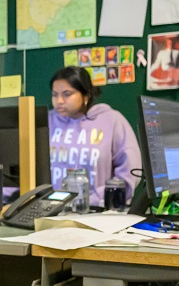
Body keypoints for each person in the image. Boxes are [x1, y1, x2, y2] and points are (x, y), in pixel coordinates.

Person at [48, 66, 142, 206]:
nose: (59, 100)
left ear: (86, 95)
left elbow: (129, 173)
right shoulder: (46, 122)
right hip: (52, 210)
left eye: (67, 94)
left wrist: (91, 200)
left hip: (100, 211)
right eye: (55, 94)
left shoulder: (112, 120)